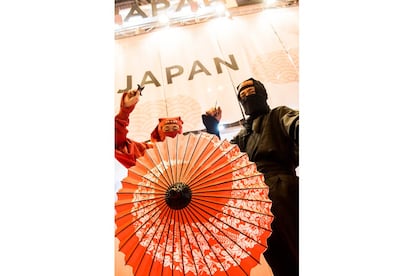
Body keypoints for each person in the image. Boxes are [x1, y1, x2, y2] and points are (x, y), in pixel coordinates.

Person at [202, 77, 299, 276]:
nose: (247, 96)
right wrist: (213, 128)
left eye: (251, 91)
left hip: (283, 189)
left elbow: (297, 124)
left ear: (263, 93)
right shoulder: (243, 134)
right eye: (242, 94)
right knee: (278, 259)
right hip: (257, 202)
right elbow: (221, 157)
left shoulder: (279, 114)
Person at [115, 88, 184, 168]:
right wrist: (124, 111)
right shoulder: (146, 151)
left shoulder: (192, 151)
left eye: (175, 128)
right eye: (167, 129)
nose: (171, 132)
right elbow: (117, 143)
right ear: (159, 133)